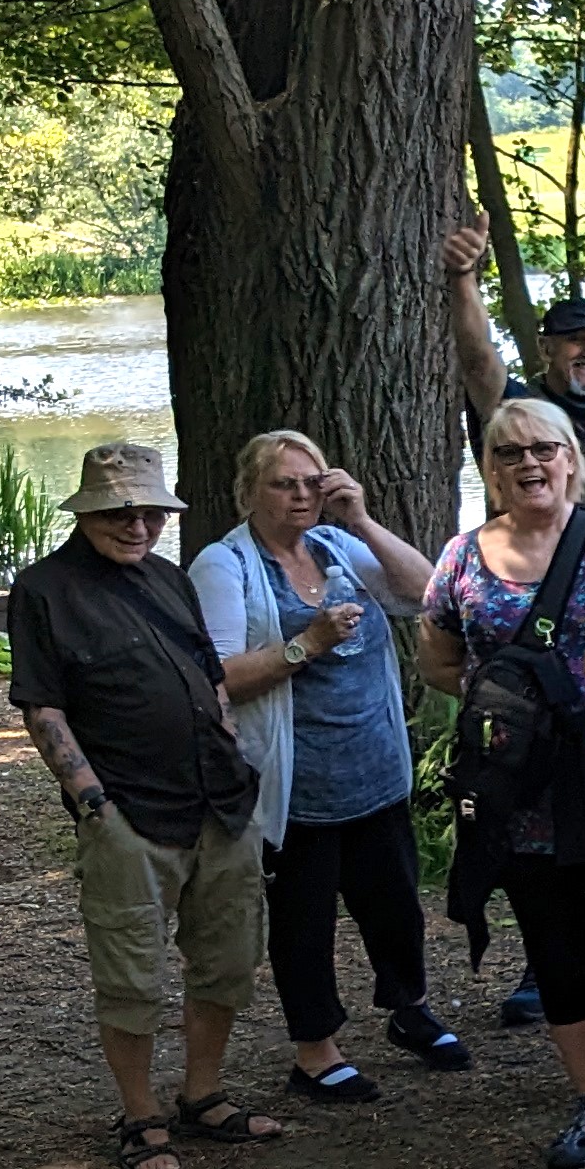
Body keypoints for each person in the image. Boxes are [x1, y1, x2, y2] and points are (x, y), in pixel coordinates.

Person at [419, 397, 585, 1169]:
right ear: (490, 471)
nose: (528, 464)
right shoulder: (463, 556)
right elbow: (440, 659)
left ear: (573, 458)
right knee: (555, 945)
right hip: (523, 785)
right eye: (508, 453)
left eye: (543, 449)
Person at [5, 443, 282, 1169]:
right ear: (88, 512)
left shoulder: (168, 578)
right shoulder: (44, 589)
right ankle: (139, 1115)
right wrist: (93, 801)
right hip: (129, 814)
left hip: (219, 805)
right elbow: (42, 706)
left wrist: (230, 750)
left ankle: (203, 1094)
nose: (139, 525)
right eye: (121, 512)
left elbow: (209, 675)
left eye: (151, 511)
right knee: (131, 977)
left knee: (227, 962)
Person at [191, 431, 451, 1103]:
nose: (302, 495)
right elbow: (213, 677)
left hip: (374, 768)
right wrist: (306, 644)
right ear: (250, 491)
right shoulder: (226, 566)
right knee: (304, 922)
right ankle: (315, 1052)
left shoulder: (337, 547)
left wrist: (360, 518)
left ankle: (408, 1010)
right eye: (285, 484)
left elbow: (428, 594)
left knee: (395, 907)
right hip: (294, 784)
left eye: (312, 482)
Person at [443, 214, 585, 483]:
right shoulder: (514, 406)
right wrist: (462, 274)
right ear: (546, 348)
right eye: (577, 340)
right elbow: (478, 361)